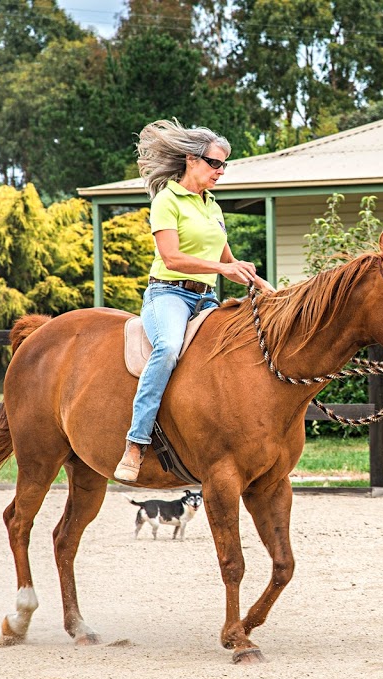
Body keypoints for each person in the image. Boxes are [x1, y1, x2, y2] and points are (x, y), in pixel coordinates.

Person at [113, 119, 273, 483]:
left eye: (224, 165)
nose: (220, 171)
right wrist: (221, 267)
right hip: (167, 293)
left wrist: (266, 287)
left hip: (206, 299)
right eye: (215, 163)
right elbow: (171, 258)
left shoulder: (212, 206)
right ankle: (136, 443)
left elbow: (228, 261)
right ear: (191, 159)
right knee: (168, 348)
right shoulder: (167, 199)